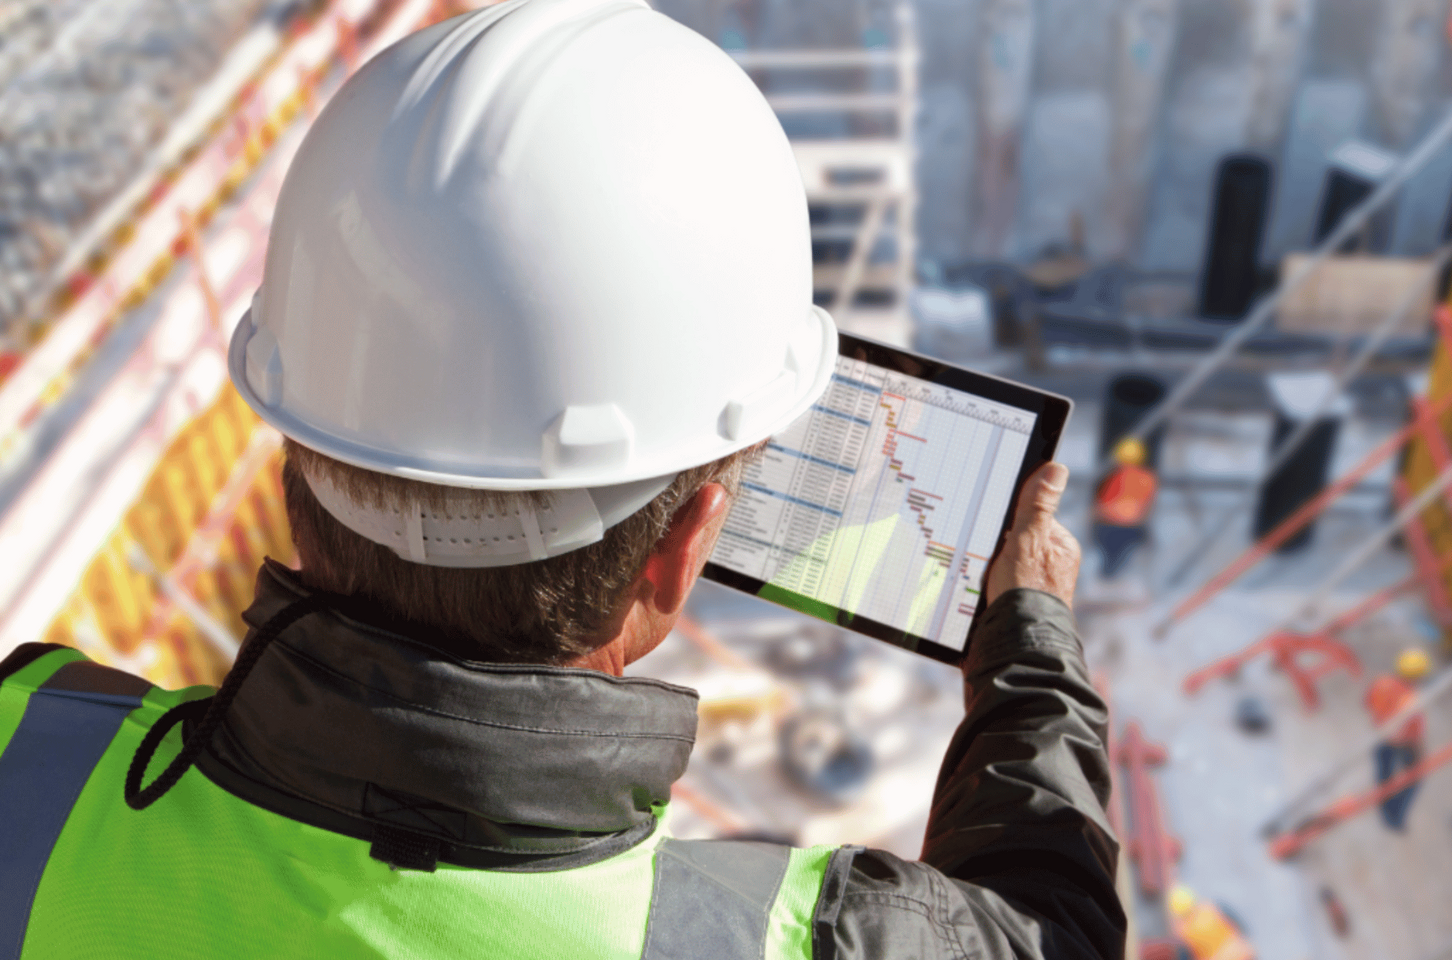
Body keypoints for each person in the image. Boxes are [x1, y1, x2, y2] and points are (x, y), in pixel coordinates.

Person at [0, 3, 1123, 956]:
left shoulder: (27, 754)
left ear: (298, 449)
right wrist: (1028, 645)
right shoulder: (770, 938)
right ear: (681, 551)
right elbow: (1051, 930)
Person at [1365, 647, 1432, 833]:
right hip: (1402, 744)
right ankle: (1395, 818)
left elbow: (1368, 702)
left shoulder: (1382, 682)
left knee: (1384, 776)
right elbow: (1414, 731)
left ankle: (1384, 809)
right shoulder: (1411, 699)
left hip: (1380, 737)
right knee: (1413, 780)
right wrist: (1419, 750)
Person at [1093, 436, 1158, 579]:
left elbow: (1103, 501)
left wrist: (1093, 518)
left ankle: (1108, 577)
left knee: (1110, 559)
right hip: (1132, 526)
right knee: (1122, 558)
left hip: (1109, 524)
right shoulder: (1148, 478)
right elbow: (1148, 505)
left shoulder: (1114, 476)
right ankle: (1114, 577)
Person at [1166, 885, 1255, 960]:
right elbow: (1238, 923)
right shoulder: (1212, 908)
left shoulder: (1184, 933)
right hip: (1241, 952)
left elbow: (1186, 955)